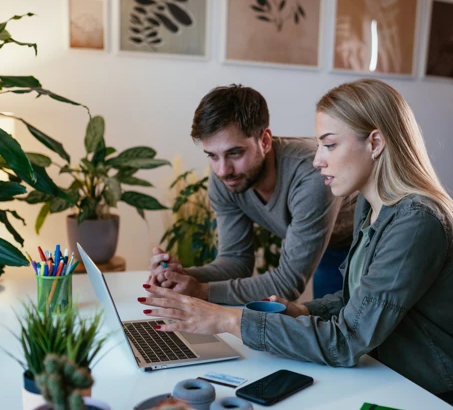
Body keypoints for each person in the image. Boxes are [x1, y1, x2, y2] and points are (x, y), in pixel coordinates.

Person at [139, 79, 453, 410]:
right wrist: (300, 310)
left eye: (329, 145)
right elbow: (351, 300)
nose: (317, 161)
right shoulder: (372, 207)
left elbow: (346, 340)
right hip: (402, 377)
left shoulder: (417, 221)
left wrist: (225, 318)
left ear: (375, 142)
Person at [148, 84, 354, 303]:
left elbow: (287, 284)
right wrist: (181, 277)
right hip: (328, 247)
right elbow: (235, 263)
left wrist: (200, 290)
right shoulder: (226, 180)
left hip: (365, 246)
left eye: (234, 153)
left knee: (348, 329)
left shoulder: (312, 173)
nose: (222, 170)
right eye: (213, 156)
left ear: (264, 141)